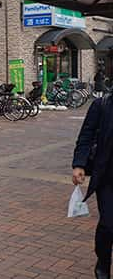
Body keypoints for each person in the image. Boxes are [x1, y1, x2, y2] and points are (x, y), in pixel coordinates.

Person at [73, 93, 113, 279]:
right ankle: (103, 264)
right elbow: (86, 135)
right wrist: (79, 164)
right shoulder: (102, 104)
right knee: (108, 224)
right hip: (107, 177)